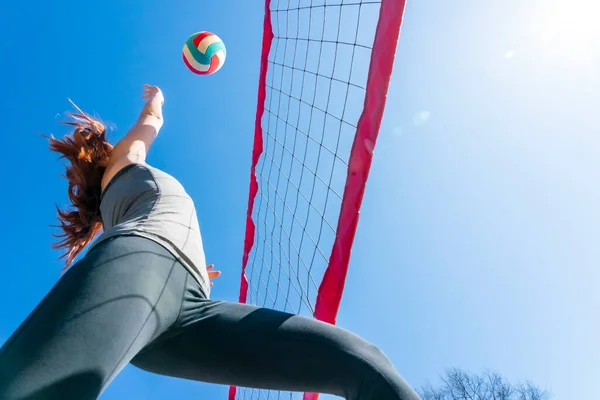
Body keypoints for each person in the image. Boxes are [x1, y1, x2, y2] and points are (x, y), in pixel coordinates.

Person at [0, 85, 421, 400]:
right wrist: (158, 99)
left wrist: (187, 271)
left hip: (186, 308)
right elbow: (151, 124)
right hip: (142, 264)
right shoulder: (124, 163)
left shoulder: (126, 201)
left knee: (361, 361)